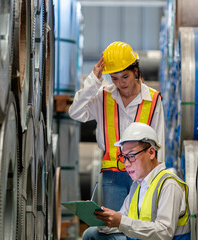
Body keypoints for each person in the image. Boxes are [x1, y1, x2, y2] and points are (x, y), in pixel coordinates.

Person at [69, 41, 165, 211]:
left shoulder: (153, 99)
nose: (121, 83)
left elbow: (160, 142)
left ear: (135, 71)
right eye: (114, 78)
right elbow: (75, 112)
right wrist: (94, 79)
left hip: (144, 175)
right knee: (113, 230)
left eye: (125, 77)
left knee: (140, 228)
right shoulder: (103, 97)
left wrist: (158, 178)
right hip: (113, 177)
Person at [82, 122, 190, 240]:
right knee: (92, 234)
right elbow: (124, 219)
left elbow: (164, 232)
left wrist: (120, 221)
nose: (127, 164)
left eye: (132, 156)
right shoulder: (137, 186)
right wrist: (104, 220)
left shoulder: (169, 184)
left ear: (151, 152)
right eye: (124, 157)